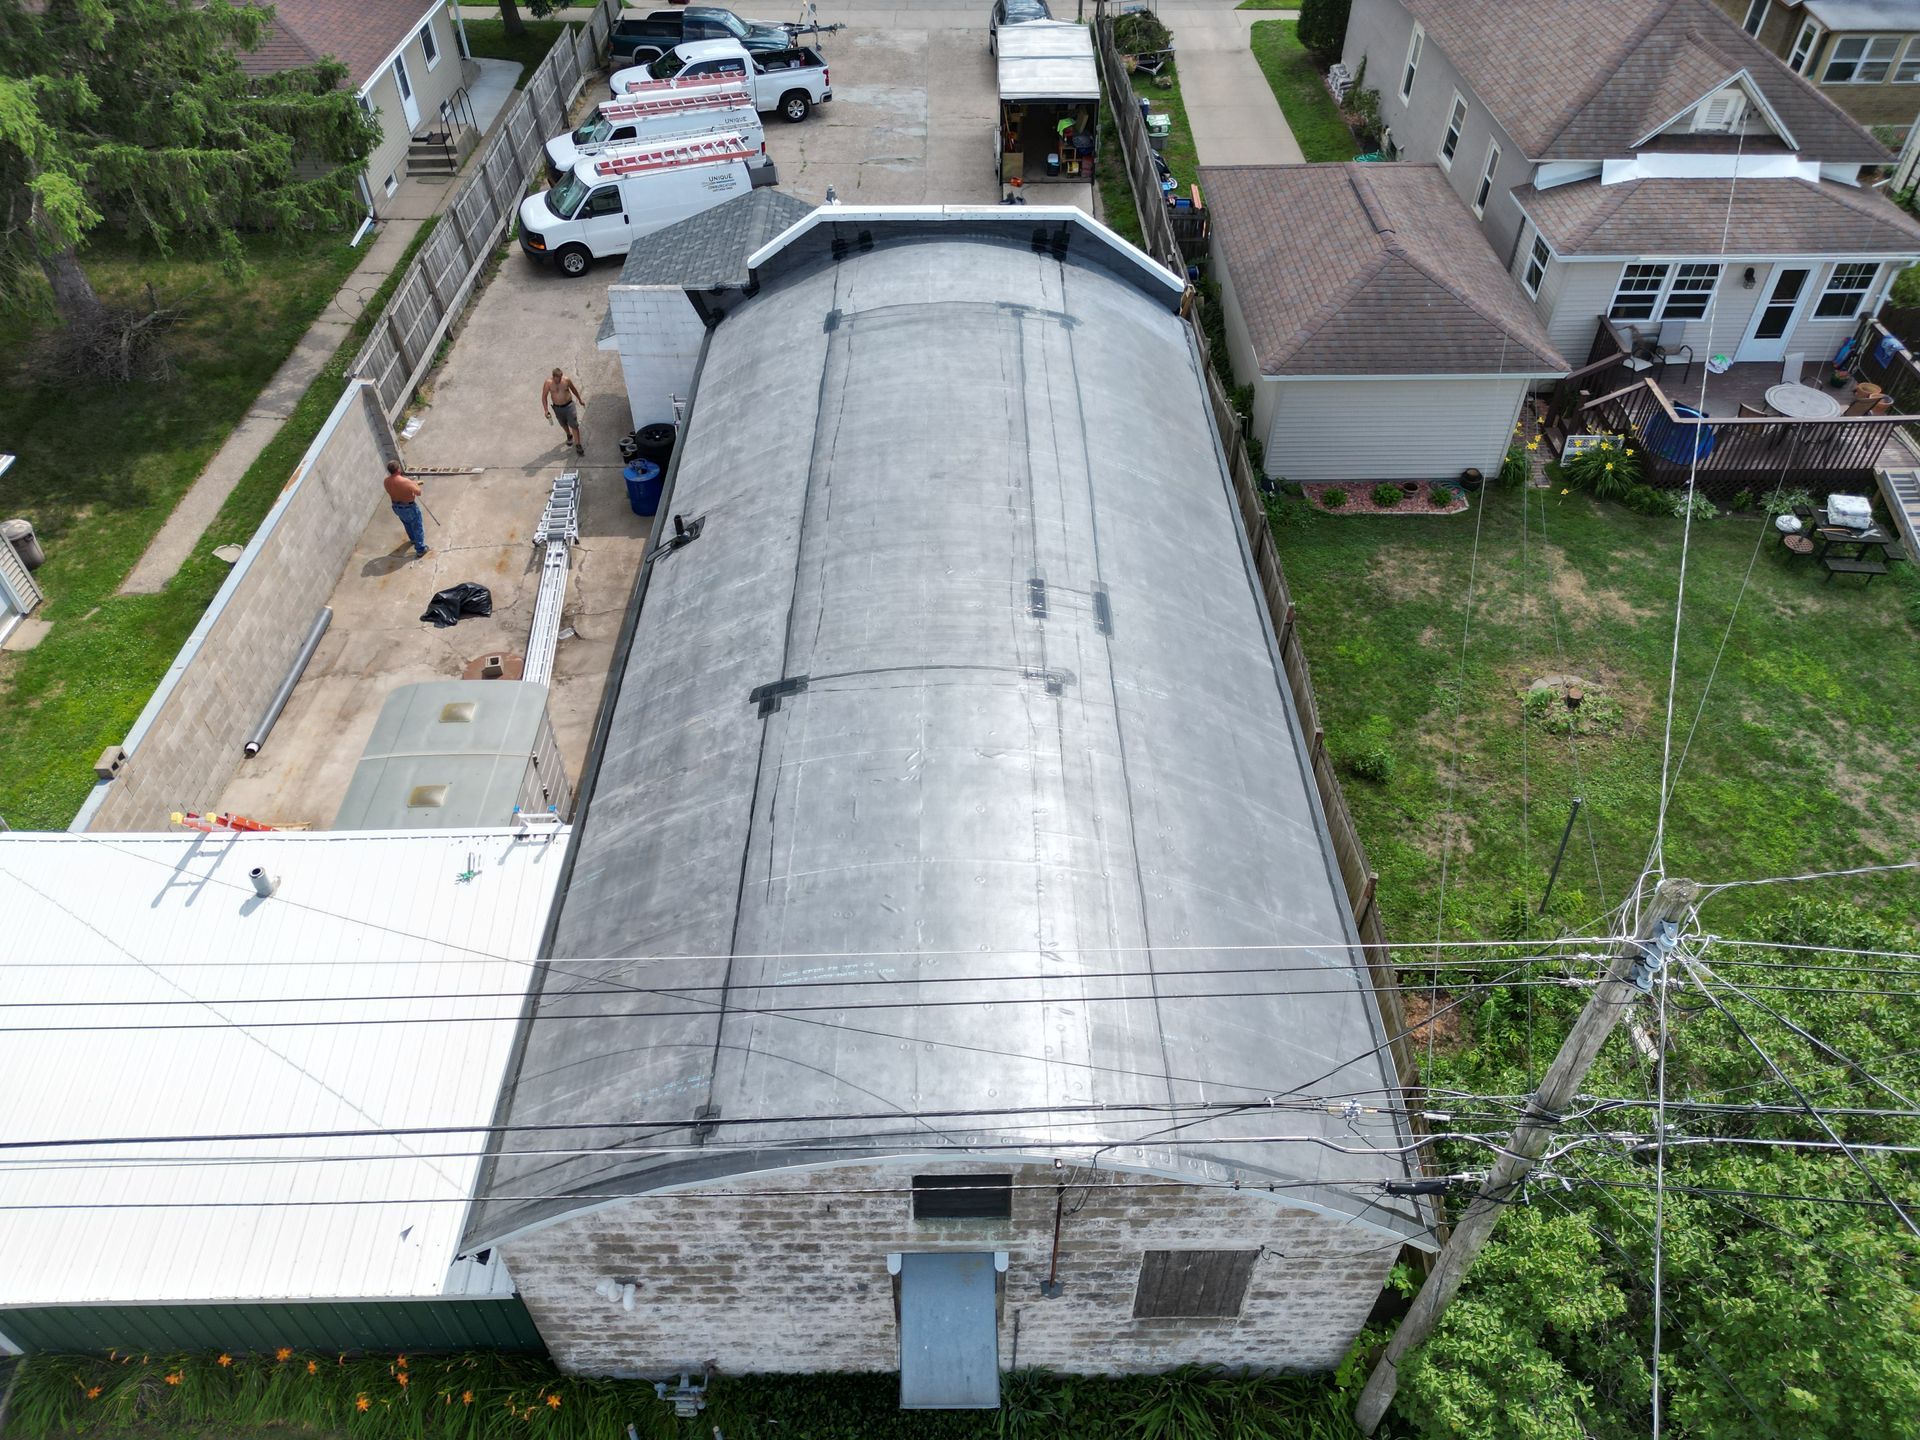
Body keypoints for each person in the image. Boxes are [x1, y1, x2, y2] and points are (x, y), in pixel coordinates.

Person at [384, 459, 428, 558]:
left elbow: (392, 491)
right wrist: (414, 484)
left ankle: (413, 539)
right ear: (398, 469)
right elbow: (418, 493)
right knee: (417, 527)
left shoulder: (386, 481)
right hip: (409, 507)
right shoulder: (405, 481)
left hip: (396, 507)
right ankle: (420, 549)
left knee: (407, 523)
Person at [542, 367, 587, 456]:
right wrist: (546, 410)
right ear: (553, 377)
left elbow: (574, 390)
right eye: (558, 378)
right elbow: (544, 397)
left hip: (569, 405)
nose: (560, 379)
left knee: (574, 424)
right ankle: (569, 435)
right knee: (563, 424)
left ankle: (578, 444)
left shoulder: (566, 380)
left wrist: (580, 400)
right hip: (557, 408)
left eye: (561, 377)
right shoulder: (548, 383)